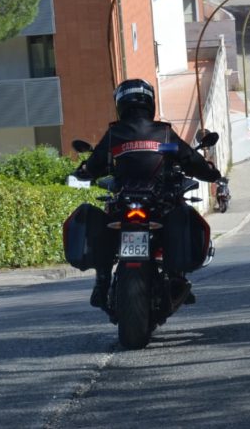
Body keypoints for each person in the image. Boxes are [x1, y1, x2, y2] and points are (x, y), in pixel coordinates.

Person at [75, 78, 222, 308]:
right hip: (158, 204)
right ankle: (176, 276)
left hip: (124, 204)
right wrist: (210, 172)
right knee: (179, 214)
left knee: (106, 223)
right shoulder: (164, 134)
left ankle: (102, 281)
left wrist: (84, 170)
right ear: (149, 103)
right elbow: (189, 159)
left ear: (120, 104)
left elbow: (93, 166)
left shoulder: (115, 134)